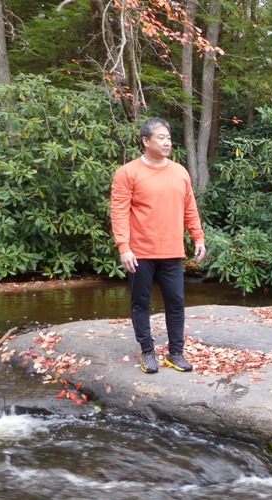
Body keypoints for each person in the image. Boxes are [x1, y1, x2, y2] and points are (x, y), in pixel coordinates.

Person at [110, 117, 206, 374]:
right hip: (139, 253)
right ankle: (148, 352)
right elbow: (118, 212)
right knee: (140, 303)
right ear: (145, 141)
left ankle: (176, 353)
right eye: (161, 138)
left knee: (176, 302)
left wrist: (198, 237)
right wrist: (124, 248)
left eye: (169, 138)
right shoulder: (128, 173)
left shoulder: (179, 172)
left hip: (172, 251)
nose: (167, 142)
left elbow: (190, 208)